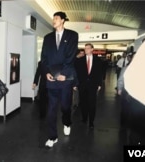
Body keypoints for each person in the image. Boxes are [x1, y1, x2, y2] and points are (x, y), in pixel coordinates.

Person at [41, 11, 78, 147]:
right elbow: (44, 58)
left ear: (63, 20)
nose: (54, 20)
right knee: (51, 110)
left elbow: (71, 56)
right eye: (53, 18)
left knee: (65, 107)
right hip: (51, 79)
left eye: (56, 18)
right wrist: (46, 73)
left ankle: (67, 122)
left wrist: (64, 73)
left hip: (66, 78)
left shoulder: (72, 35)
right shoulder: (47, 38)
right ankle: (52, 137)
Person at [75, 43, 102, 129]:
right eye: (85, 48)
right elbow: (76, 73)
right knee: (83, 103)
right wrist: (75, 84)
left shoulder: (98, 60)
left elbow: (99, 73)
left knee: (92, 104)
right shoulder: (80, 60)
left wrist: (99, 84)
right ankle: (84, 118)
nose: (86, 50)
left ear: (92, 49)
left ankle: (91, 122)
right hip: (82, 85)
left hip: (92, 86)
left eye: (87, 48)